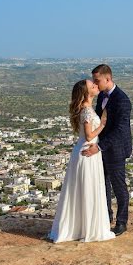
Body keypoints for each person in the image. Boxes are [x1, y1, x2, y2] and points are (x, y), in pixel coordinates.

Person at [48, 79, 116, 243]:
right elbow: (89, 136)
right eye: (92, 86)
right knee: (88, 188)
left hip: (87, 152)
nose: (95, 86)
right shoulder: (86, 111)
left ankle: (81, 227)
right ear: (86, 93)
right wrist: (103, 124)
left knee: (83, 189)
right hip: (88, 152)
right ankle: (87, 228)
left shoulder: (87, 109)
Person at [81, 64, 132, 236]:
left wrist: (100, 146)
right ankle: (106, 216)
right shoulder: (102, 95)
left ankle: (122, 222)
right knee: (102, 184)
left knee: (119, 187)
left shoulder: (122, 100)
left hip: (115, 149)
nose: (95, 84)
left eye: (97, 80)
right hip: (101, 148)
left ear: (108, 79)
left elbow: (120, 130)